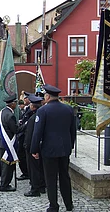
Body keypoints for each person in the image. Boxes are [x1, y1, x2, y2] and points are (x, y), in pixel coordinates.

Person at [31, 84, 76, 212]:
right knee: (64, 177)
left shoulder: (43, 111)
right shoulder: (68, 109)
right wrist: (70, 145)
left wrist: (34, 149)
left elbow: (37, 132)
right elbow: (72, 130)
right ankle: (69, 204)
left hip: (49, 150)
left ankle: (54, 205)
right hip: (64, 149)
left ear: (47, 96)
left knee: (50, 179)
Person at [23, 94, 46, 197]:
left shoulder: (33, 118)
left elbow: (31, 135)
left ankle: (35, 189)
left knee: (34, 169)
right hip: (41, 146)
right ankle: (41, 186)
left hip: (33, 147)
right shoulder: (41, 115)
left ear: (32, 106)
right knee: (40, 168)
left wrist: (29, 147)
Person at [0, 94, 19, 192]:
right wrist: (24, 125)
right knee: (8, 165)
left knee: (4, 165)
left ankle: (4, 183)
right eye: (16, 103)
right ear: (12, 104)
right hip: (8, 144)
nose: (16, 105)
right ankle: (4, 185)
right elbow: (15, 130)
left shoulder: (3, 112)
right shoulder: (10, 115)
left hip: (2, 143)